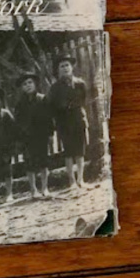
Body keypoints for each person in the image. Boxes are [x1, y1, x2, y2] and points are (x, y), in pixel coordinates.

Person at [48, 56, 88, 190]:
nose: (65, 68)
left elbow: (83, 100)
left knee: (80, 151)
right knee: (69, 151)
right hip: (64, 122)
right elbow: (53, 106)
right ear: (58, 70)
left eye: (67, 65)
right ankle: (71, 181)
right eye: (62, 66)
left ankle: (81, 179)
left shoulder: (80, 84)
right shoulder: (55, 88)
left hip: (78, 119)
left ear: (72, 67)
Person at [14, 72, 53, 199]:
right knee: (29, 164)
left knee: (43, 162)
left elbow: (48, 118)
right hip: (27, 137)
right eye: (24, 84)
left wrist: (50, 133)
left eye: (30, 82)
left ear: (35, 84)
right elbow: (18, 122)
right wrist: (20, 137)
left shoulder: (42, 99)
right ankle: (33, 190)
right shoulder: (20, 104)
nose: (28, 86)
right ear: (22, 88)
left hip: (41, 135)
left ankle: (45, 188)